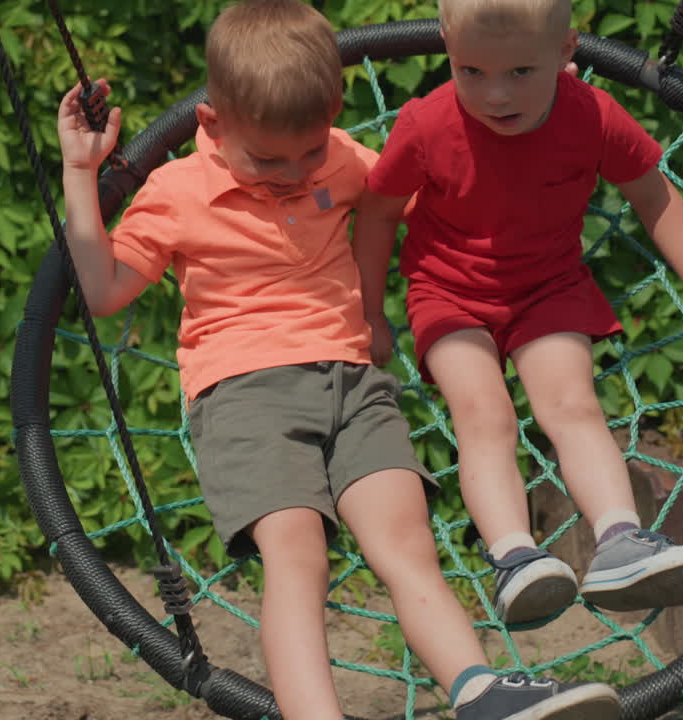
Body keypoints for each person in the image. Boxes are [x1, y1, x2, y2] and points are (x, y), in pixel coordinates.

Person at [58, 1, 621, 717]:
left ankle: (478, 690)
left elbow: (446, 196)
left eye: (311, 151)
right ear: (212, 122)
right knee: (298, 558)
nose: (295, 172)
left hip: (355, 384)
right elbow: (104, 290)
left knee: (408, 542)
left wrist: (547, 101)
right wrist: (82, 174)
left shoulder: (346, 157)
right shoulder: (176, 192)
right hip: (243, 393)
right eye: (268, 158)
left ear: (333, 116)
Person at [353, 0, 683, 631]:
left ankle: (621, 541)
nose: (495, 93)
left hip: (548, 286)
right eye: (471, 71)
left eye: (520, 72)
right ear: (447, 48)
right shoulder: (427, 123)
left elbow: (653, 193)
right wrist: (370, 311)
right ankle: (514, 557)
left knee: (572, 405)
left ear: (567, 53)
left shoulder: (592, 115)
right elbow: (375, 213)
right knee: (485, 416)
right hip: (448, 291)